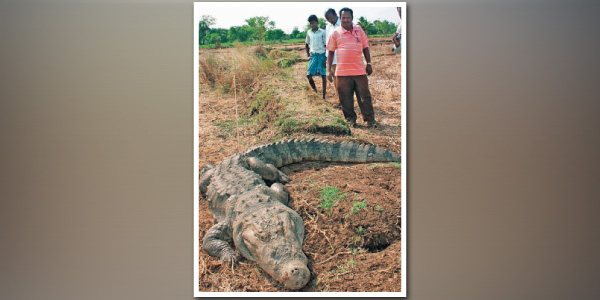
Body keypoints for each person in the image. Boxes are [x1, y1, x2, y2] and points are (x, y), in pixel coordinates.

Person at [326, 7, 377, 127]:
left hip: (359, 71)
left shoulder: (359, 30)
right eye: (343, 18)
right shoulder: (335, 33)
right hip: (342, 73)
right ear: (340, 18)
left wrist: (368, 63)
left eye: (348, 17)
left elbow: (365, 47)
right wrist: (328, 70)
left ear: (352, 18)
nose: (345, 20)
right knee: (345, 97)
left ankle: (370, 120)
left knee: (365, 96)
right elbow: (330, 52)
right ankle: (350, 120)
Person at [325, 8, 361, 109]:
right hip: (333, 59)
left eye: (330, 18)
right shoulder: (328, 27)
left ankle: (349, 103)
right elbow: (328, 45)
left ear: (335, 15)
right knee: (337, 83)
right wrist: (326, 59)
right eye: (327, 19)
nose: (329, 20)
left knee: (347, 83)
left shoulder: (345, 25)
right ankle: (342, 102)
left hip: (343, 60)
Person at [305, 14, 327, 99]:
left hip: (322, 55)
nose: (312, 24)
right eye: (310, 23)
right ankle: (315, 91)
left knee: (323, 76)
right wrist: (308, 56)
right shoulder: (308, 32)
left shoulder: (323, 32)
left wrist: (325, 59)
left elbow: (326, 46)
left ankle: (324, 96)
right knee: (308, 75)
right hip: (313, 56)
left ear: (317, 22)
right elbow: (306, 44)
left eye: (313, 22)